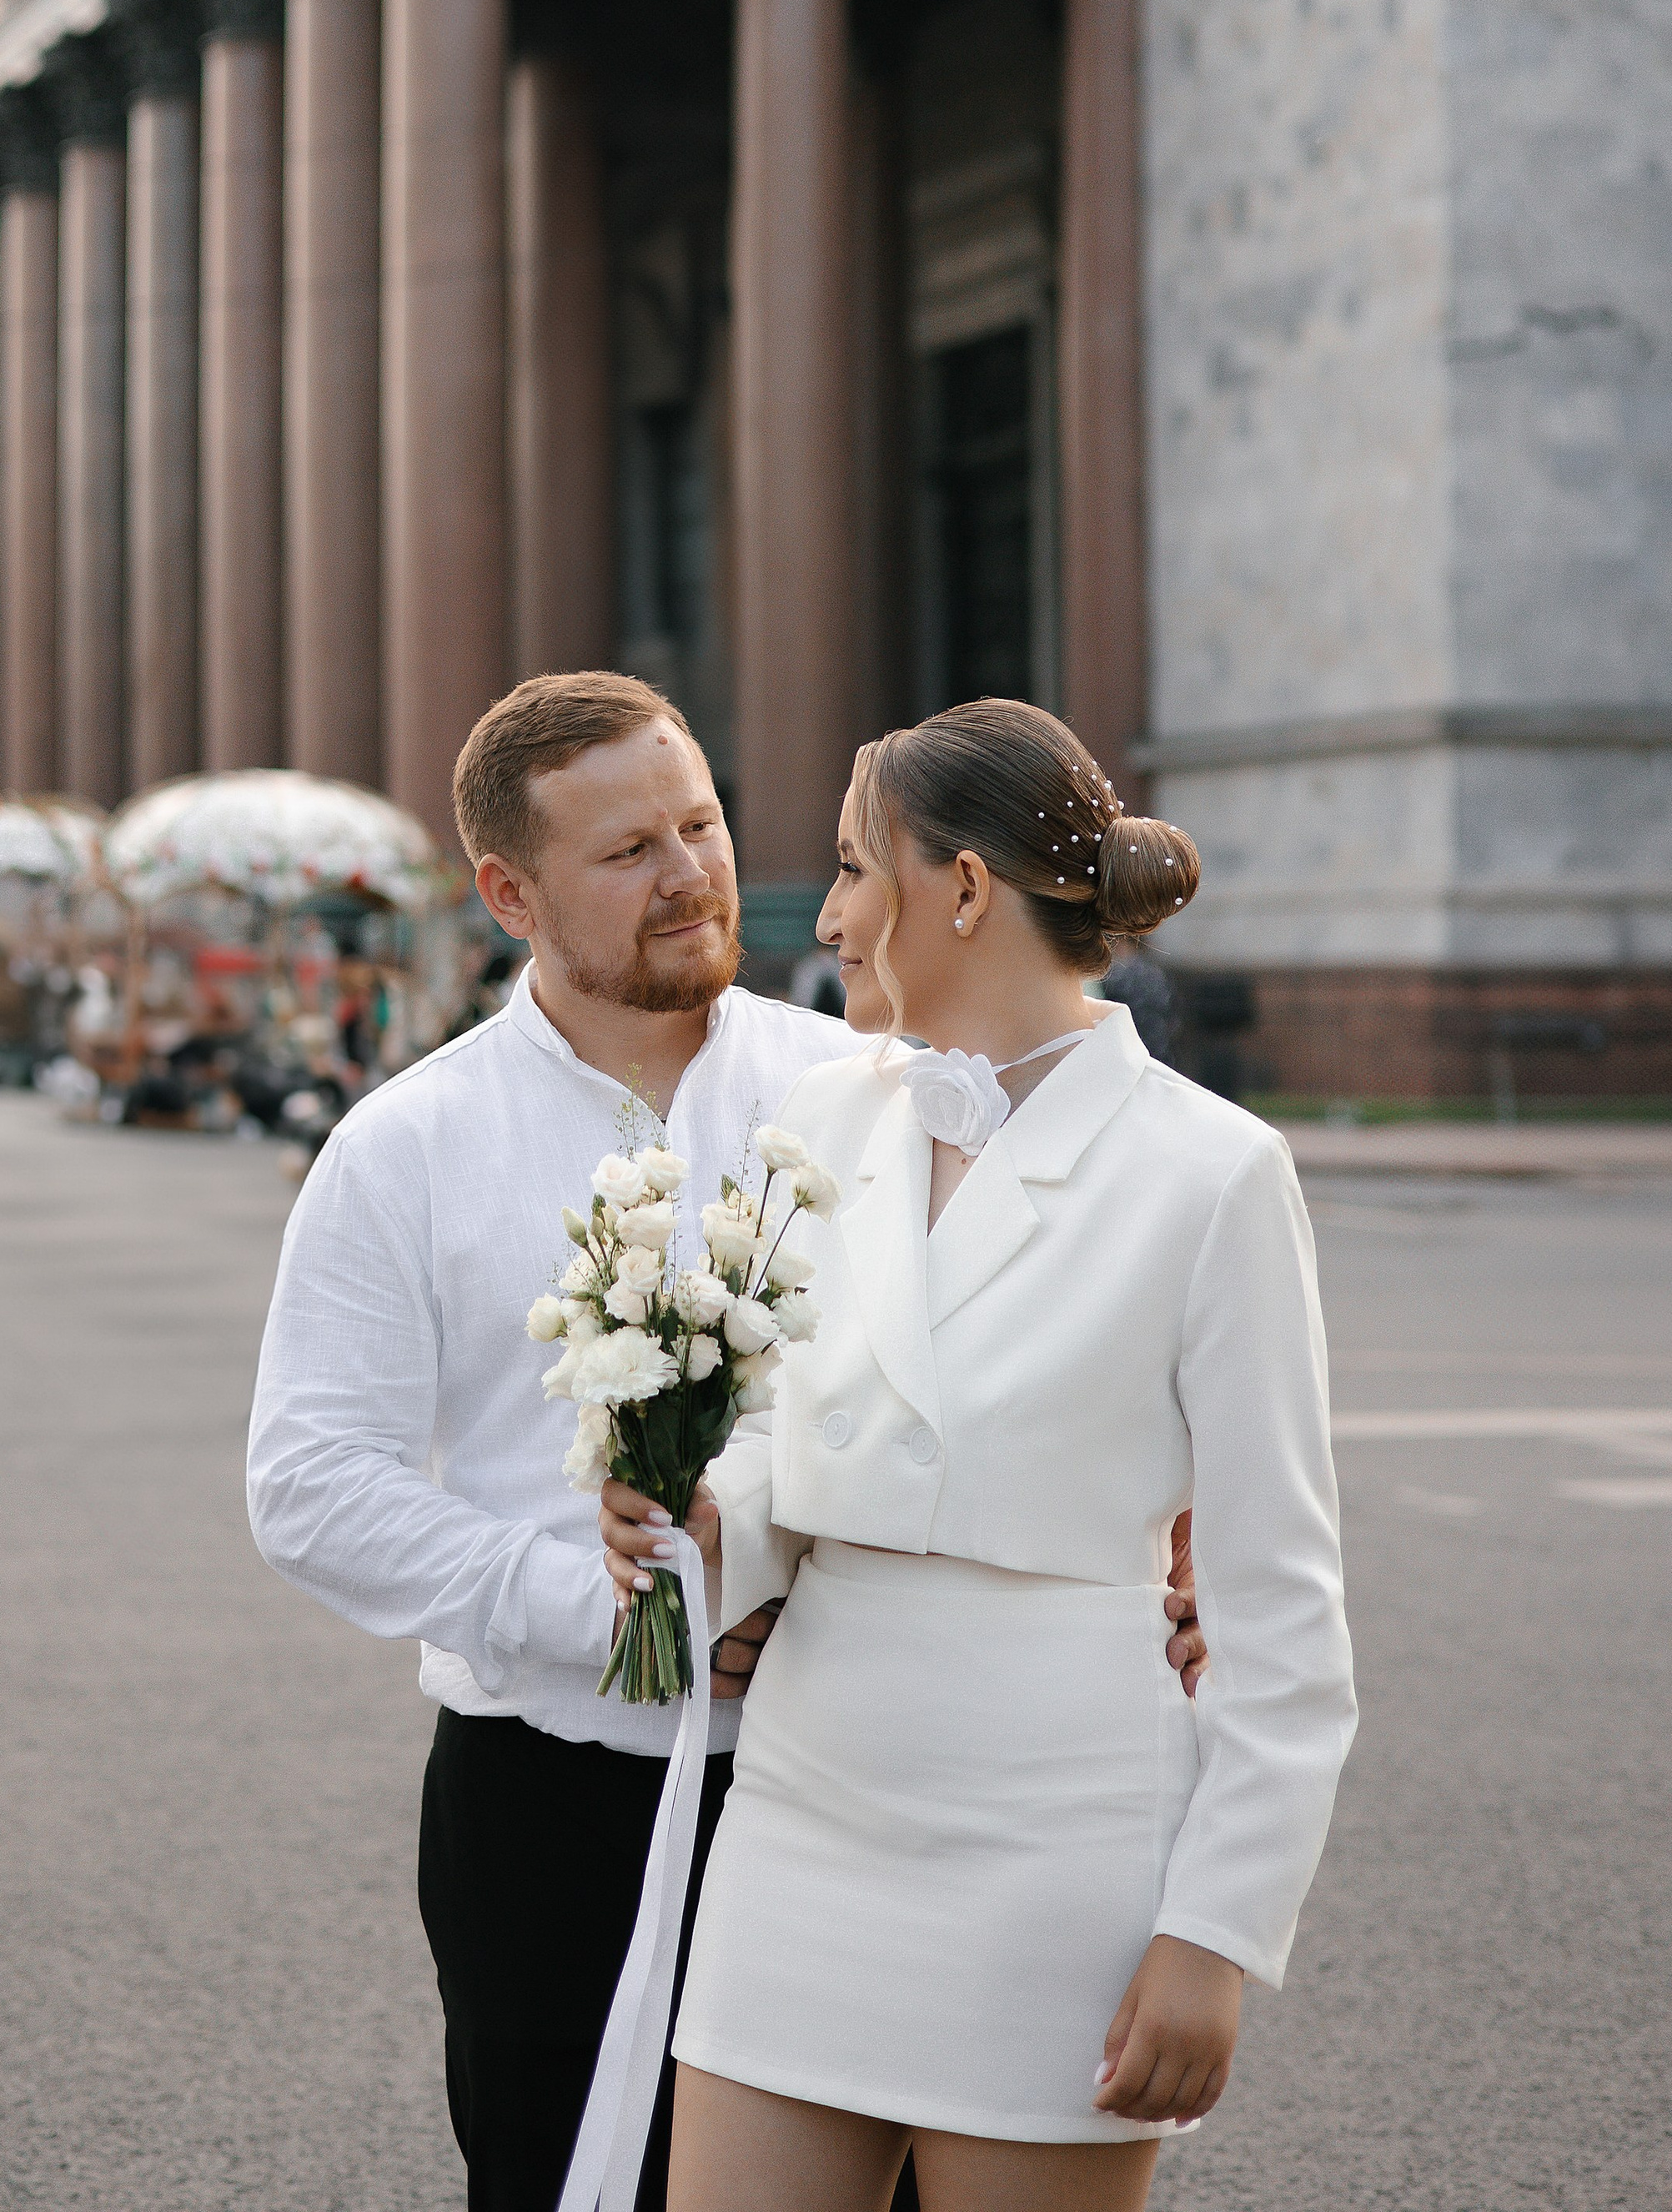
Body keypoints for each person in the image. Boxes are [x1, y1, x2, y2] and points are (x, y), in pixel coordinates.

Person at [247, 674, 1208, 2212]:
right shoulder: (405, 1147)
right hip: (553, 1807)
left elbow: (1057, 1346)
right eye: (628, 851)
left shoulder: (871, 1090)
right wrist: (609, 1612)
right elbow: (310, 1487)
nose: (692, 872)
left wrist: (1170, 1540)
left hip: (859, 1783)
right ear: (510, 892)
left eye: (698, 821)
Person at [603, 698, 1355, 2212]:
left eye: (853, 870)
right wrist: (696, 1518)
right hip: (808, 1816)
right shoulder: (824, 1114)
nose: (824, 917)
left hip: (1056, 1846)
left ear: (960, 890)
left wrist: (1214, 1937)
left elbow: (1283, 1610)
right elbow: (794, 1448)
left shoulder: (1212, 1174)